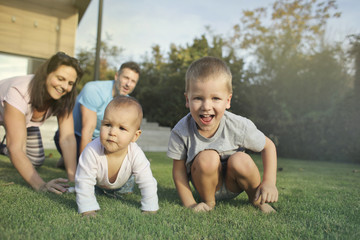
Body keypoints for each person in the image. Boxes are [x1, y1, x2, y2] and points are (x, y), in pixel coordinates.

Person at [167, 56, 278, 213]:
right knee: (208, 157)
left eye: (215, 98)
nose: (206, 106)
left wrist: (269, 182)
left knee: (241, 159)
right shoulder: (181, 131)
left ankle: (257, 200)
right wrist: (191, 204)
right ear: (187, 99)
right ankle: (208, 203)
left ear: (228, 100)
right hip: (205, 185)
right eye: (198, 98)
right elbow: (178, 172)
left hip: (234, 182)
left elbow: (268, 146)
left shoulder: (239, 125)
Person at [0, 52, 83, 194]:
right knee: (15, 148)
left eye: (70, 83)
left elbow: (67, 139)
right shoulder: (19, 91)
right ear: (46, 74)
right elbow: (16, 148)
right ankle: (7, 146)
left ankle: (2, 148)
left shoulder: (66, 98)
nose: (64, 87)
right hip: (8, 111)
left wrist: (73, 179)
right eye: (60, 79)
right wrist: (41, 185)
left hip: (25, 121)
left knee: (36, 160)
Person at [54, 61, 140, 193]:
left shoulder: (127, 103)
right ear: (117, 76)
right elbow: (87, 130)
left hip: (103, 139)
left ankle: (67, 160)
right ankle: (71, 157)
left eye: (133, 81)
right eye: (126, 78)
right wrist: (82, 173)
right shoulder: (94, 90)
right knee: (94, 168)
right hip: (75, 136)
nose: (128, 84)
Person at [75, 95, 159, 217]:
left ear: (135, 136)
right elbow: (84, 180)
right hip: (98, 183)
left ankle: (123, 190)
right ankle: (100, 191)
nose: (112, 132)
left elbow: (147, 181)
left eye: (122, 128)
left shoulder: (136, 153)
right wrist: (88, 209)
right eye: (108, 125)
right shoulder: (92, 150)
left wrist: (150, 207)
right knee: (92, 190)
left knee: (124, 192)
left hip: (124, 182)